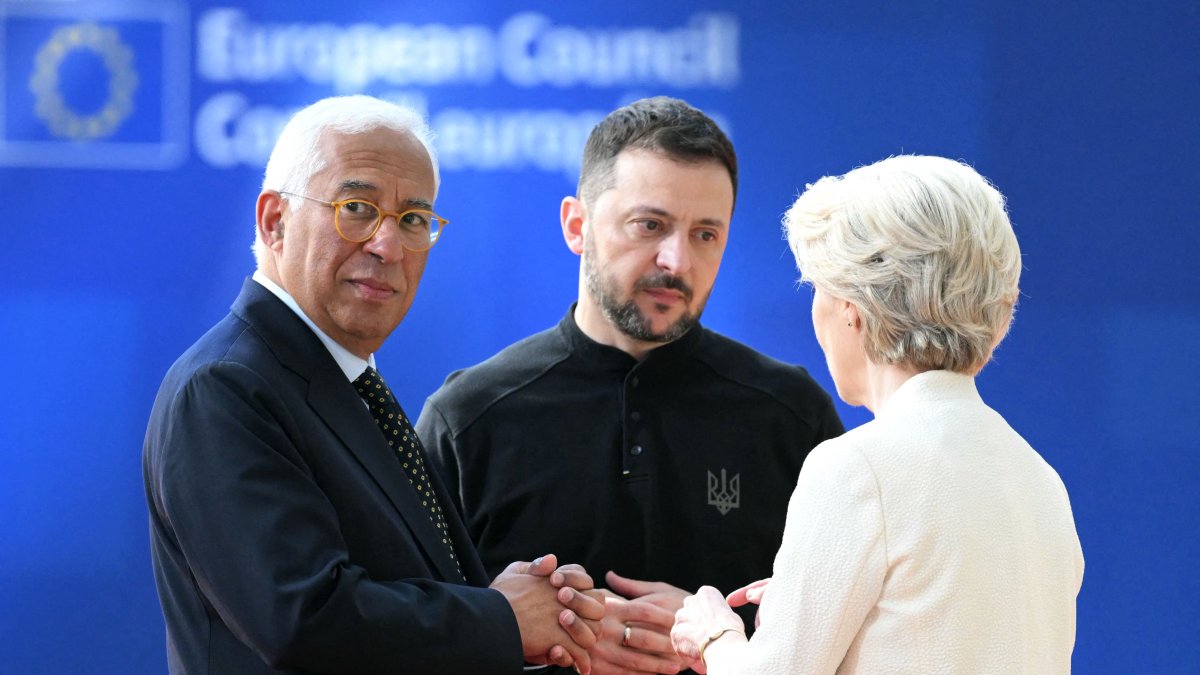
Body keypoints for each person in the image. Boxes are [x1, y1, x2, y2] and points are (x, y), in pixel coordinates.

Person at [143, 95, 606, 674]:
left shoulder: (348, 384)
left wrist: (536, 616)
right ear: (274, 221)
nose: (388, 245)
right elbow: (304, 619)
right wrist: (501, 620)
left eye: (413, 219)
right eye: (357, 207)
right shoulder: (224, 386)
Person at [416, 96, 844, 674]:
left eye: (705, 235)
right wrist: (536, 638)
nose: (677, 260)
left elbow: (849, 636)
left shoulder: (791, 417)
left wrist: (722, 640)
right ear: (577, 225)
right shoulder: (468, 419)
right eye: (651, 225)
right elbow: (410, 637)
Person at [671, 155, 1085, 673]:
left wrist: (717, 634)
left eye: (818, 287)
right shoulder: (1041, 481)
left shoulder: (857, 469)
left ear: (853, 309)